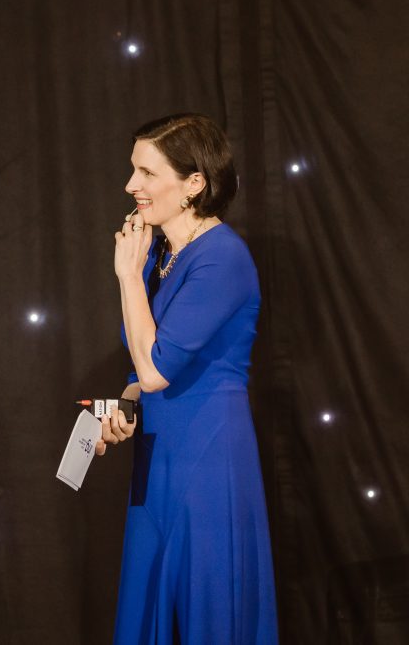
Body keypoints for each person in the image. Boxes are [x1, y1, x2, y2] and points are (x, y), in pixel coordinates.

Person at [97, 113, 278, 643]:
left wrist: (127, 276)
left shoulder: (222, 258)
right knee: (151, 597)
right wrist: (125, 404)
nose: (132, 186)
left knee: (207, 606)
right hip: (160, 450)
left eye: (147, 173)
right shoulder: (160, 253)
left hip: (207, 451)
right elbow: (144, 366)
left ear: (194, 183)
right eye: (134, 170)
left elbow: (155, 368)